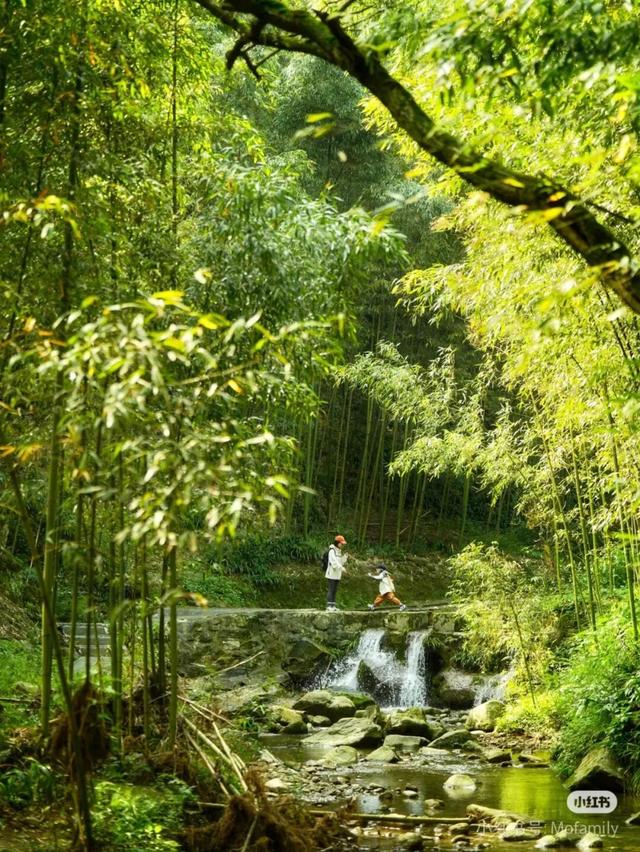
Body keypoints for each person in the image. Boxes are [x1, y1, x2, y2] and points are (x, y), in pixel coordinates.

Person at [325, 534, 348, 611]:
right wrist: (341, 568)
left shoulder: (339, 551)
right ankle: (329, 606)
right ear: (337, 542)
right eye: (341, 543)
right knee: (331, 589)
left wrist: (344, 557)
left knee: (335, 590)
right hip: (331, 574)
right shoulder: (332, 550)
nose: (342, 545)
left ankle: (333, 606)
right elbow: (333, 562)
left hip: (337, 574)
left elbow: (340, 562)